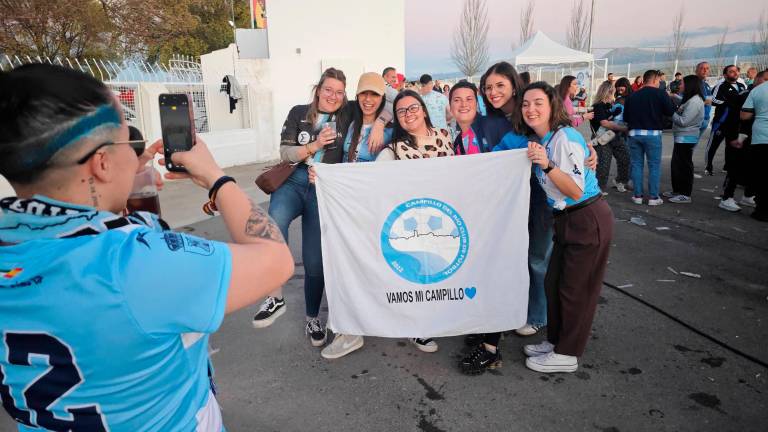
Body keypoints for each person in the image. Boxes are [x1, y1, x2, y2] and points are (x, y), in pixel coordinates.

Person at [0, 64, 294, 430]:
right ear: (102, 163)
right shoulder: (136, 266)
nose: (135, 153)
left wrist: (118, 188)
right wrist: (216, 178)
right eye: (127, 142)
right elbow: (275, 260)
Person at [251, 68, 389, 347]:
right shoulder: (298, 112)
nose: (333, 96)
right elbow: (285, 153)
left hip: (324, 187)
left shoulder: (348, 112)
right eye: (328, 90)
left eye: (339, 92)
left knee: (315, 262)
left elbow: (388, 96)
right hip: (294, 179)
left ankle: (313, 317)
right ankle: (274, 296)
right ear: (318, 89)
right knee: (274, 223)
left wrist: (380, 124)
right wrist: (313, 146)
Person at [521, 82, 613, 374]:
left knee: (575, 289)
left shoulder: (564, 137)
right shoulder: (546, 139)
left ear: (552, 106)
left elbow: (574, 190)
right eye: (525, 104)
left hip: (586, 217)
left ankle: (568, 353)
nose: (531, 109)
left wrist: (547, 165)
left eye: (538, 103)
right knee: (554, 283)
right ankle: (556, 341)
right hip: (565, 220)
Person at [447, 80, 528, 375]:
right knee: (481, 274)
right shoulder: (457, 139)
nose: (463, 104)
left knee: (496, 275)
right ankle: (487, 329)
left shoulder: (492, 125)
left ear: (477, 101)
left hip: (501, 216)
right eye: (457, 100)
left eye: (469, 98)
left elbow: (525, 148)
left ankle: (492, 348)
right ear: (450, 104)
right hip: (476, 218)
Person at [319, 72, 392, 359]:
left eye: (374, 94)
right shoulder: (351, 118)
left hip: (371, 208)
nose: (368, 100)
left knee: (371, 266)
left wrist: (382, 122)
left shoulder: (389, 127)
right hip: (345, 206)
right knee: (344, 265)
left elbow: (400, 96)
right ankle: (350, 329)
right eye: (364, 94)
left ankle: (399, 321)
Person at [376, 89, 452, 353]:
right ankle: (418, 327)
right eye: (401, 111)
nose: (408, 114)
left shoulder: (445, 136)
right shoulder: (394, 150)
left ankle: (446, 319)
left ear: (423, 108)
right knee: (420, 275)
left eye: (413, 108)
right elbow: (370, 181)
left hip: (446, 217)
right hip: (415, 221)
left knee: (446, 273)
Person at [623, 69, 674, 205]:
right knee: (654, 166)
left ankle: (638, 196)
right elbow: (670, 111)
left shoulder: (632, 96)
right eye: (659, 81)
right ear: (654, 80)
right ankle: (653, 197)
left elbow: (625, 118)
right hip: (653, 134)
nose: (660, 83)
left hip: (634, 134)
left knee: (637, 165)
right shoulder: (660, 93)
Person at [666, 75, 706, 204]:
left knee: (684, 166)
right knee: (677, 164)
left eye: (682, 84)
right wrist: (673, 97)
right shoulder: (690, 99)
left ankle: (685, 194)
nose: (680, 86)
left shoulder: (695, 101)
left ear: (689, 85)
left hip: (687, 138)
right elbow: (683, 104)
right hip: (681, 137)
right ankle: (677, 190)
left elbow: (684, 121)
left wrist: (670, 112)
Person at [705, 65, 748, 177]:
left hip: (735, 123)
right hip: (721, 121)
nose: (735, 73)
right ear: (725, 75)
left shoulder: (742, 86)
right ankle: (708, 166)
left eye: (736, 71)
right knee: (713, 144)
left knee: (731, 146)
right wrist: (725, 103)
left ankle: (727, 167)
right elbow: (712, 99)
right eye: (731, 71)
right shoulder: (721, 85)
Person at [590, 81, 629, 192]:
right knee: (603, 164)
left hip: (615, 136)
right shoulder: (598, 106)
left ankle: (620, 181)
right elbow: (605, 123)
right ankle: (599, 188)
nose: (615, 92)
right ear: (608, 91)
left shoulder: (611, 105)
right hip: (603, 138)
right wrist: (624, 128)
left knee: (625, 158)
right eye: (613, 90)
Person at [741, 69, 768, 221]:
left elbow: (744, 115)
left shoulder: (757, 90)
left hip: (761, 137)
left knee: (762, 175)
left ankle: (762, 210)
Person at [696, 62, 714, 138]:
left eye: (707, 68)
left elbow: (710, 101)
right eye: (702, 68)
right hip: (695, 121)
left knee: (692, 147)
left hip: (705, 119)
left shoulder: (706, 85)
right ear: (696, 70)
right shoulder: (692, 83)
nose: (705, 70)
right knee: (686, 148)